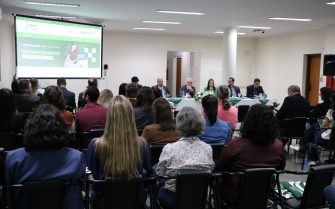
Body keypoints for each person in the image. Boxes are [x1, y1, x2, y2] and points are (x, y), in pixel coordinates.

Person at [5, 104, 86, 209]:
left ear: (30, 127)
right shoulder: (76, 158)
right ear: (61, 128)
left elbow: (10, 199)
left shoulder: (12, 159)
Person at [87, 95, 152, 209]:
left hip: (104, 202)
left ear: (109, 117)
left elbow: (94, 176)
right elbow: (147, 174)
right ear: (131, 116)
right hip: (135, 202)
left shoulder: (95, 145)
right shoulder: (142, 144)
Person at [215, 104, 286, 203]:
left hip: (235, 196)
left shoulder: (236, 145)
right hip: (264, 195)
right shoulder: (278, 146)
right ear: (272, 124)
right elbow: (280, 168)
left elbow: (217, 167)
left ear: (248, 122)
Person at [156, 106, 214, 208]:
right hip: (199, 197)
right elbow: (210, 170)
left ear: (179, 124)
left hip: (173, 198)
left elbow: (160, 173)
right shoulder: (207, 148)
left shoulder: (169, 148)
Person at [290, 93, 335, 164]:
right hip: (331, 139)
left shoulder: (331, 111)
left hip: (330, 141)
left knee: (314, 126)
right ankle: (305, 151)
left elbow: (323, 127)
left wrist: (322, 130)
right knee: (313, 132)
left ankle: (303, 148)